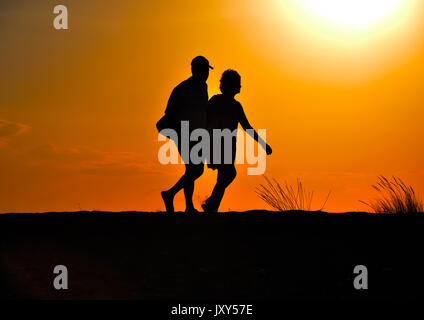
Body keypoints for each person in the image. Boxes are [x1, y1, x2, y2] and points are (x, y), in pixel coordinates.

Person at [202, 69, 272, 212]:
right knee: (228, 173)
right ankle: (211, 204)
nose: (240, 86)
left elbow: (247, 127)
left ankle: (211, 205)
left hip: (228, 146)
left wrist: (263, 144)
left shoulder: (235, 105)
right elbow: (204, 119)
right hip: (217, 144)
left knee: (225, 175)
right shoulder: (218, 102)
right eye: (238, 84)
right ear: (231, 85)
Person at [160, 56, 214, 213]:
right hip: (183, 132)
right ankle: (186, 205)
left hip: (197, 133)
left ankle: (171, 195)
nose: (206, 73)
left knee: (195, 170)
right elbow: (169, 112)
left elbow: (204, 111)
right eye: (204, 70)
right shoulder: (183, 88)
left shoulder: (203, 87)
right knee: (194, 169)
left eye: (206, 70)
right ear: (195, 70)